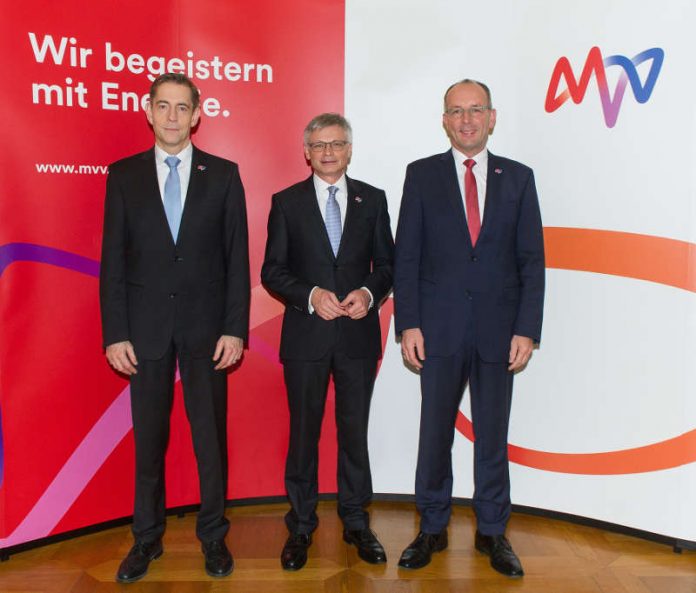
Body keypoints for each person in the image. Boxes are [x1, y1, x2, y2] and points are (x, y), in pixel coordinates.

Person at [100, 73, 250, 582]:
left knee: (210, 441)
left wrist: (235, 330)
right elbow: (113, 264)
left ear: (197, 114)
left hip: (209, 332)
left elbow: (237, 260)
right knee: (148, 441)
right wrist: (115, 333)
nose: (171, 117)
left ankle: (213, 537)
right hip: (143, 334)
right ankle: (146, 539)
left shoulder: (225, 175)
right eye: (162, 106)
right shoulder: (122, 176)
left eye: (180, 108)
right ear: (147, 111)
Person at [393, 79, 545, 577]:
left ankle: (492, 531)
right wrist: (407, 323)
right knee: (434, 433)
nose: (466, 119)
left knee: (493, 435)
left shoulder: (519, 178)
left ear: (491, 117)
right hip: (436, 330)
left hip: (501, 334)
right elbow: (407, 256)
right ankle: (431, 526)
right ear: (444, 119)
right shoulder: (421, 175)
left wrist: (527, 328)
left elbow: (531, 261)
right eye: (456, 111)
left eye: (475, 109)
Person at [261, 113, 394, 570]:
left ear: (350, 149)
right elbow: (272, 271)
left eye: (337, 143)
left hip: (357, 335)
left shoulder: (373, 200)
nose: (329, 152)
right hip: (306, 338)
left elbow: (388, 265)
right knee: (304, 435)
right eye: (319, 145)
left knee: (354, 433)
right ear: (306, 152)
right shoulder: (286, 202)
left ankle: (357, 521)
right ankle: (300, 525)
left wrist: (369, 292)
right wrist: (312, 295)